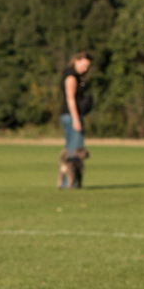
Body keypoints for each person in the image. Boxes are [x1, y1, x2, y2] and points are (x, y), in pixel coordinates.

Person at [58, 52, 93, 189]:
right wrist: (76, 119)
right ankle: (70, 182)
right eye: (84, 65)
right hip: (71, 116)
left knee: (70, 149)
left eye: (87, 66)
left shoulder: (74, 75)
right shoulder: (71, 77)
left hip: (69, 115)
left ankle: (67, 182)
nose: (85, 69)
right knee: (76, 150)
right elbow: (70, 99)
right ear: (76, 61)